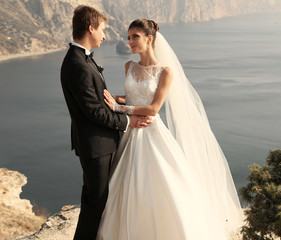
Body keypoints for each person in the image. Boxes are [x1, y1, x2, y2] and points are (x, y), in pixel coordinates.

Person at [96, 19, 244, 240]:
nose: (130, 42)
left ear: (149, 38)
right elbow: (134, 97)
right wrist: (111, 97)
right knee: (123, 185)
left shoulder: (165, 72)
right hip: (129, 132)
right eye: (128, 37)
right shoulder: (129, 66)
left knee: (159, 187)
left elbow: (154, 108)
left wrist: (118, 107)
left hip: (149, 131)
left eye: (135, 37)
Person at [60, 6, 150, 240]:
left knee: (95, 198)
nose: (104, 35)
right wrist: (128, 120)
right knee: (95, 202)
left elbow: (99, 103)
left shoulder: (82, 60)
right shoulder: (77, 64)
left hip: (99, 143)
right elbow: (94, 112)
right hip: (95, 145)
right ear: (90, 28)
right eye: (102, 29)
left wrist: (120, 102)